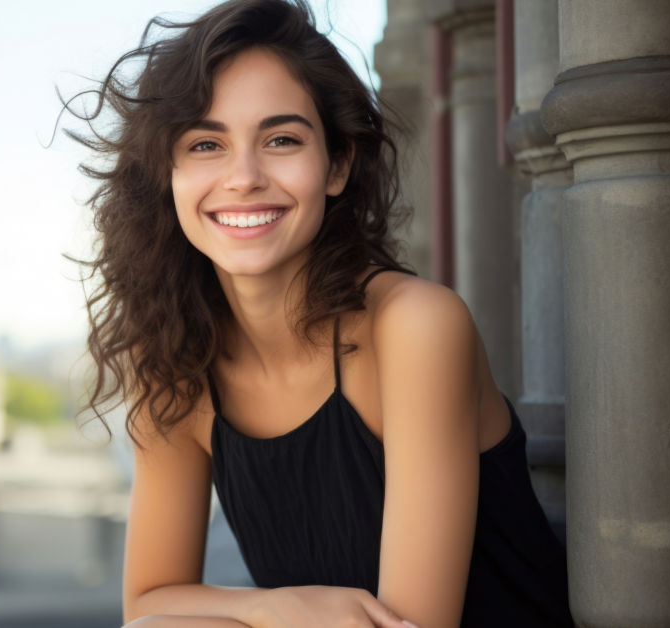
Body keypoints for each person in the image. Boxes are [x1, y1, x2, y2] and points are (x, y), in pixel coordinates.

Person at [67, 1, 574, 626]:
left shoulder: (415, 328)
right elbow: (147, 604)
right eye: (205, 144)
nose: (243, 177)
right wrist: (286, 607)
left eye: (281, 140)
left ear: (337, 164)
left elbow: (411, 624)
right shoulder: (175, 358)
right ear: (166, 175)